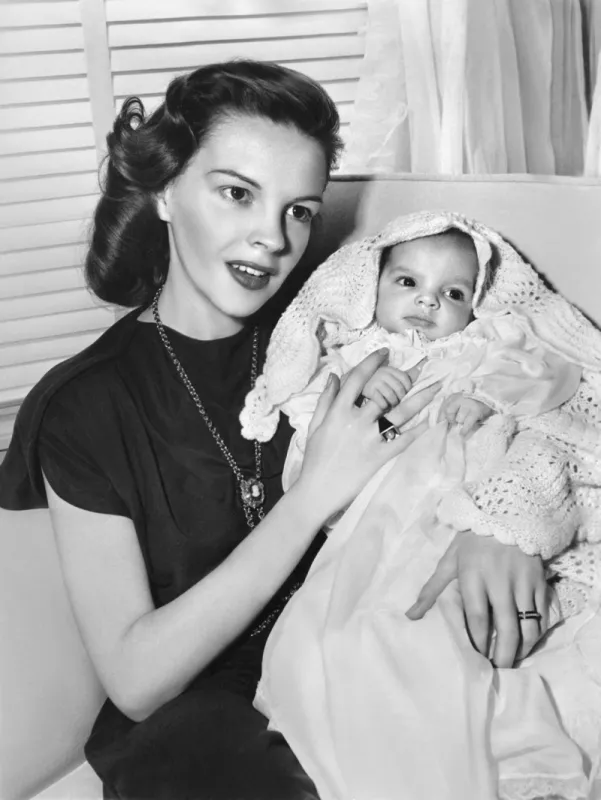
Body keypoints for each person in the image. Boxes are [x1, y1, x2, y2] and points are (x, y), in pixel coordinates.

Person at [0, 62, 556, 799]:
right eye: (236, 194)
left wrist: (503, 523)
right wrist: (313, 494)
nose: (271, 238)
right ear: (165, 193)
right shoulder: (84, 405)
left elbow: (525, 389)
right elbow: (136, 683)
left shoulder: (343, 327)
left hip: (362, 650)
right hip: (201, 719)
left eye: (298, 210)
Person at [241, 211, 601, 800]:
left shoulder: (485, 344)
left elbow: (549, 387)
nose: (429, 302)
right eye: (408, 283)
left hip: (462, 503)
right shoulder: (356, 361)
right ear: (372, 287)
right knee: (361, 632)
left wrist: (486, 398)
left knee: (464, 627)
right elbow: (315, 477)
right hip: (381, 521)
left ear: (476, 303)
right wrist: (371, 406)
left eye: (452, 293)